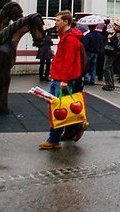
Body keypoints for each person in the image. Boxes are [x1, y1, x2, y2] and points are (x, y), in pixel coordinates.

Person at [38, 10, 88, 150]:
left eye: (58, 20)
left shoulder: (70, 39)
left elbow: (69, 61)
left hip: (62, 79)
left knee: (59, 108)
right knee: (62, 107)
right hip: (59, 77)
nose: (56, 23)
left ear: (66, 22)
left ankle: (54, 139)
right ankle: (78, 126)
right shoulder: (66, 36)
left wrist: (64, 80)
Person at [101, 19, 120, 91]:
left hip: (111, 52)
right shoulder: (114, 33)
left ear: (119, 27)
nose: (114, 26)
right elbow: (104, 33)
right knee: (109, 68)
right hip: (108, 51)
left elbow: (116, 44)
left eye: (116, 25)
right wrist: (106, 25)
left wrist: (110, 39)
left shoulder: (118, 34)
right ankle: (110, 84)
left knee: (106, 67)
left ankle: (109, 84)